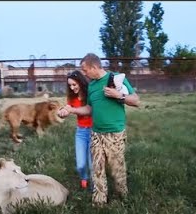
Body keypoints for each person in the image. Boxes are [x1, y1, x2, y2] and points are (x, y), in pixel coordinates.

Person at [58, 53, 140, 205]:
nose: (84, 73)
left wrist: (119, 95)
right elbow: (89, 109)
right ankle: (99, 201)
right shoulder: (92, 86)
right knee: (97, 169)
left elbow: (136, 101)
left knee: (116, 169)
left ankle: (122, 198)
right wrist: (72, 110)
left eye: (85, 70)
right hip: (96, 133)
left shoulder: (116, 78)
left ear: (94, 67)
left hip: (114, 133)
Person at [60, 70, 93, 190]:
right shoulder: (72, 98)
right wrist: (62, 113)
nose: (72, 87)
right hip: (81, 132)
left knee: (92, 164)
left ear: (81, 82)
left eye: (74, 84)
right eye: (70, 85)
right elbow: (66, 109)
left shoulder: (90, 94)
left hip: (94, 131)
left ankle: (95, 187)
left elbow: (91, 110)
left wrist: (71, 110)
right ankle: (84, 179)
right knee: (80, 164)